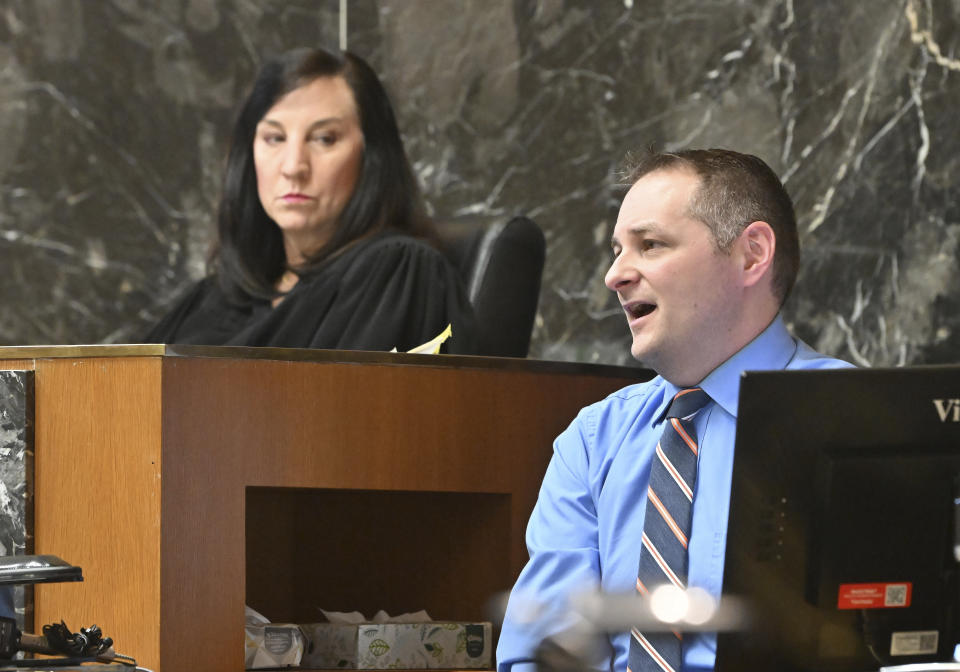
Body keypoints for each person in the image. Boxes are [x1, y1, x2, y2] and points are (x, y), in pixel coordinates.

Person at [496, 148, 853, 672]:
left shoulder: (855, 421)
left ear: (752, 254)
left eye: (649, 245)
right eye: (617, 250)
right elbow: (537, 655)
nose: (614, 275)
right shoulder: (593, 441)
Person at [145, 47, 477, 354]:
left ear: (372, 156)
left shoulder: (399, 273)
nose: (293, 167)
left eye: (324, 139)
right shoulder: (217, 296)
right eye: (274, 138)